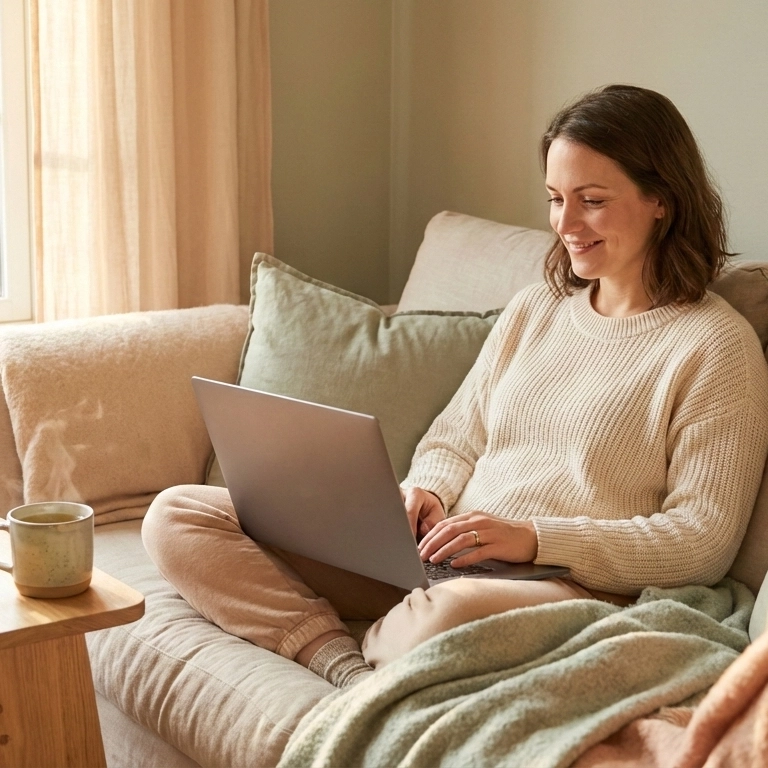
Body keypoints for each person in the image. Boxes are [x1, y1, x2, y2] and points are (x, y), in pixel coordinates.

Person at [143, 84, 768, 689]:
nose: (566, 223)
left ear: (663, 198)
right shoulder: (537, 309)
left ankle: (383, 649)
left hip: (566, 581)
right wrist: (428, 492)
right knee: (178, 513)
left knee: (430, 624)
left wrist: (536, 537)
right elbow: (456, 435)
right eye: (555, 198)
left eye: (592, 200)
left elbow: (701, 540)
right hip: (443, 553)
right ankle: (339, 662)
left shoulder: (716, 347)